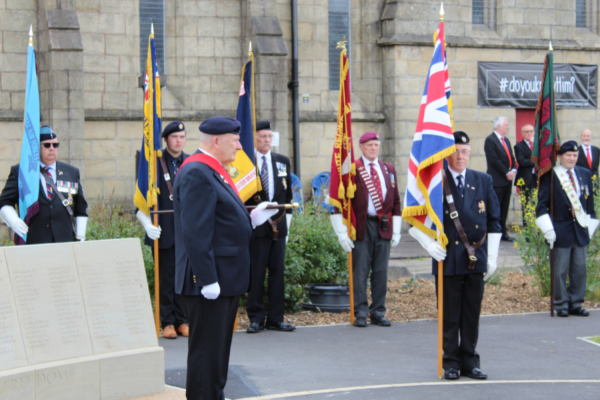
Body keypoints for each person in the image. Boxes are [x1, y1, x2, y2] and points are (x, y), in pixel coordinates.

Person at [172, 116, 276, 400]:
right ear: (216, 141)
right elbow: (195, 232)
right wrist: (207, 279)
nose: (240, 146)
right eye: (235, 140)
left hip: (223, 278)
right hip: (209, 281)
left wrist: (251, 219)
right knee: (207, 356)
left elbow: (216, 220)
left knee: (216, 356)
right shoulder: (197, 171)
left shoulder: (212, 170)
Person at [409, 131, 502, 381]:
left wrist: (492, 257)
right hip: (447, 257)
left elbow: (494, 221)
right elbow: (415, 220)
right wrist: (429, 245)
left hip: (476, 257)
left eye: (464, 152)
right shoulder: (435, 183)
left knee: (472, 312)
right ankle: (450, 361)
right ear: (446, 155)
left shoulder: (482, 180)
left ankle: (470, 361)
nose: (460, 156)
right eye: (455, 152)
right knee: (450, 313)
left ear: (470, 154)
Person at [330, 131, 402, 328]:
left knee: (380, 271)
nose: (373, 148)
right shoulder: (352, 168)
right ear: (361, 147)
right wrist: (341, 232)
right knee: (360, 271)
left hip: (383, 225)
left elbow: (395, 201)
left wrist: (397, 230)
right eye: (369, 145)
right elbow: (340, 200)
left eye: (376, 145)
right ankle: (360, 312)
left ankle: (378, 312)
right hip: (360, 225)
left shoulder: (389, 169)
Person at [136, 121, 189, 339]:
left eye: (183, 137)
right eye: (175, 137)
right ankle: (167, 322)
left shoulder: (191, 162)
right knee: (166, 279)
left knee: (185, 278)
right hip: (164, 231)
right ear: (166, 139)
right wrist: (147, 224)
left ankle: (183, 319)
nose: (179, 141)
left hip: (187, 232)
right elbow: (140, 200)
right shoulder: (154, 164)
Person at [536, 140, 599, 318]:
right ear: (560, 156)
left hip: (580, 230)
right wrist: (548, 229)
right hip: (559, 230)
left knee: (580, 269)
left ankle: (575, 302)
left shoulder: (584, 173)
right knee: (560, 270)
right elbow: (541, 206)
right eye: (568, 155)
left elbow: (590, 205)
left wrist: (590, 228)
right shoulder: (550, 176)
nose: (572, 158)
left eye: (575, 155)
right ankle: (560, 303)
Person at [245, 121, 295, 334]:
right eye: (262, 136)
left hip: (278, 226)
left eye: (269, 136)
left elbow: (288, 195)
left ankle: (276, 318)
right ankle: (256, 318)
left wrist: (288, 225)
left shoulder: (282, 161)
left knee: (277, 272)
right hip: (256, 226)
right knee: (256, 273)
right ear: (254, 138)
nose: (266, 140)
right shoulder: (246, 163)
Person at [0, 125, 88, 243]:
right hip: (34, 241)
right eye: (47, 145)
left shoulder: (71, 172)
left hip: (65, 242)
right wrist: (13, 221)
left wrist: (80, 236)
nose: (52, 148)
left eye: (55, 145)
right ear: (37, 148)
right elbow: (4, 201)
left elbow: (80, 208)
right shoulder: (22, 172)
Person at [484, 116, 516, 242]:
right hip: (497, 180)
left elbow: (511, 157)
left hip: (507, 179)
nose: (508, 127)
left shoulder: (506, 140)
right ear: (499, 126)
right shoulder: (490, 140)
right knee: (495, 207)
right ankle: (493, 231)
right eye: (506, 125)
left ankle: (503, 232)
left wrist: (513, 170)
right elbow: (494, 160)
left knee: (504, 206)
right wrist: (506, 172)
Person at [514, 124, 537, 227]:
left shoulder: (538, 146)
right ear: (522, 133)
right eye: (527, 131)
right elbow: (522, 161)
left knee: (537, 203)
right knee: (526, 204)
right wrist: (536, 162)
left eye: (531, 131)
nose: (529, 133)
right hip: (525, 179)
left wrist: (534, 145)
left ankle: (537, 227)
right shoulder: (519, 146)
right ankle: (528, 229)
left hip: (537, 178)